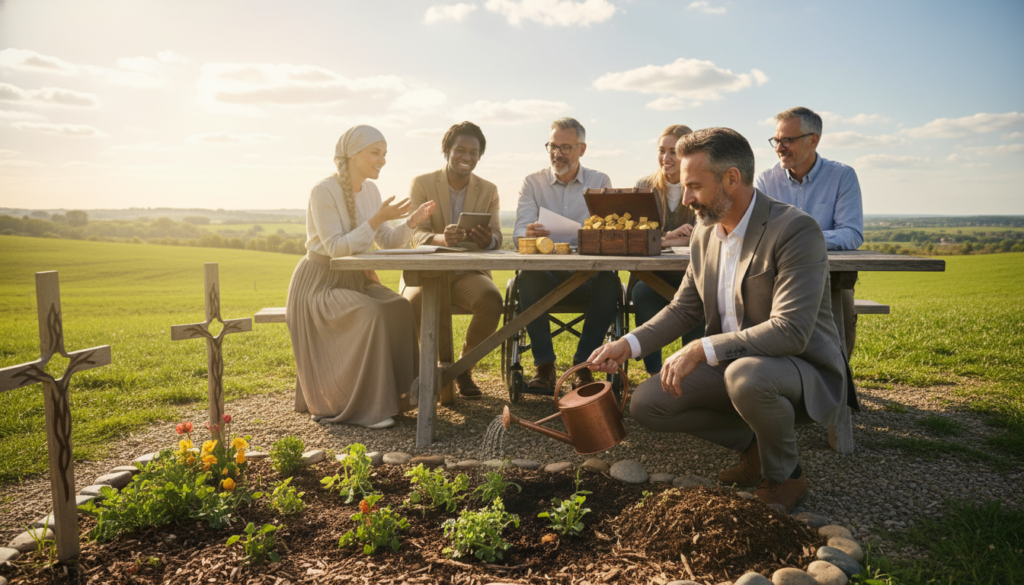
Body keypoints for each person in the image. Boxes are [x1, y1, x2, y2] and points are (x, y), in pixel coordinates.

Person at [587, 127, 855, 512]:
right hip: (736, 363)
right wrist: (625, 345)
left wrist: (701, 347)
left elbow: (792, 331)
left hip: (800, 369)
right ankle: (757, 450)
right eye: (683, 186)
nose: (686, 198)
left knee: (745, 376)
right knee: (649, 403)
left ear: (732, 178)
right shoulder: (704, 233)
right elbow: (685, 308)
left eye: (694, 186)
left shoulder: (795, 230)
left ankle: (786, 476)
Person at [285, 125, 436, 429]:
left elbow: (386, 240)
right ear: (353, 155)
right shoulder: (323, 191)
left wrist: (410, 222)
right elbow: (336, 248)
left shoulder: (371, 190)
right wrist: (378, 217)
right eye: (375, 153)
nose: (382, 160)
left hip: (356, 279)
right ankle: (367, 407)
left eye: (384, 154)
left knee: (399, 307)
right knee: (371, 314)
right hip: (319, 283)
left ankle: (398, 396)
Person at [513, 117, 619, 389]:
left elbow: (609, 233)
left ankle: (584, 366)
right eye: (552, 146)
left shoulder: (599, 181)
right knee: (527, 277)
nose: (557, 154)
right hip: (546, 275)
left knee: (610, 281)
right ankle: (544, 366)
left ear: (582, 149)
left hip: (588, 276)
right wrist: (528, 234)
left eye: (565, 147)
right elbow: (517, 236)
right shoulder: (532, 182)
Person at [400, 121, 504, 398]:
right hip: (426, 274)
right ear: (447, 150)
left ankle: (463, 368)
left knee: (492, 301)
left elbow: (497, 237)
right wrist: (441, 239)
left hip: (467, 273)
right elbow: (414, 234)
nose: (467, 157)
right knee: (410, 305)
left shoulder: (489, 190)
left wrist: (488, 241)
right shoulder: (422, 183)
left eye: (474, 152)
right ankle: (425, 373)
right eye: (461, 150)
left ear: (480, 156)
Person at [755, 107, 864, 360]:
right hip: (776, 274)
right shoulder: (765, 180)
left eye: (787, 140)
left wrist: (801, 239)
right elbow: (758, 233)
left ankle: (837, 386)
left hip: (829, 274)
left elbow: (852, 234)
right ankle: (780, 379)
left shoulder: (842, 176)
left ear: (813, 140)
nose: (779, 148)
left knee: (843, 317)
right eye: (776, 141)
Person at [631, 124, 703, 375]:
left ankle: (691, 371)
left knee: (700, 296)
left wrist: (660, 240)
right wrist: (667, 238)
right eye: (662, 150)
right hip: (651, 274)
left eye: (674, 151)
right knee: (642, 293)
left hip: (693, 274)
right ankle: (653, 372)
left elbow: (704, 237)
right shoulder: (644, 185)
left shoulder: (701, 185)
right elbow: (635, 238)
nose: (666, 158)